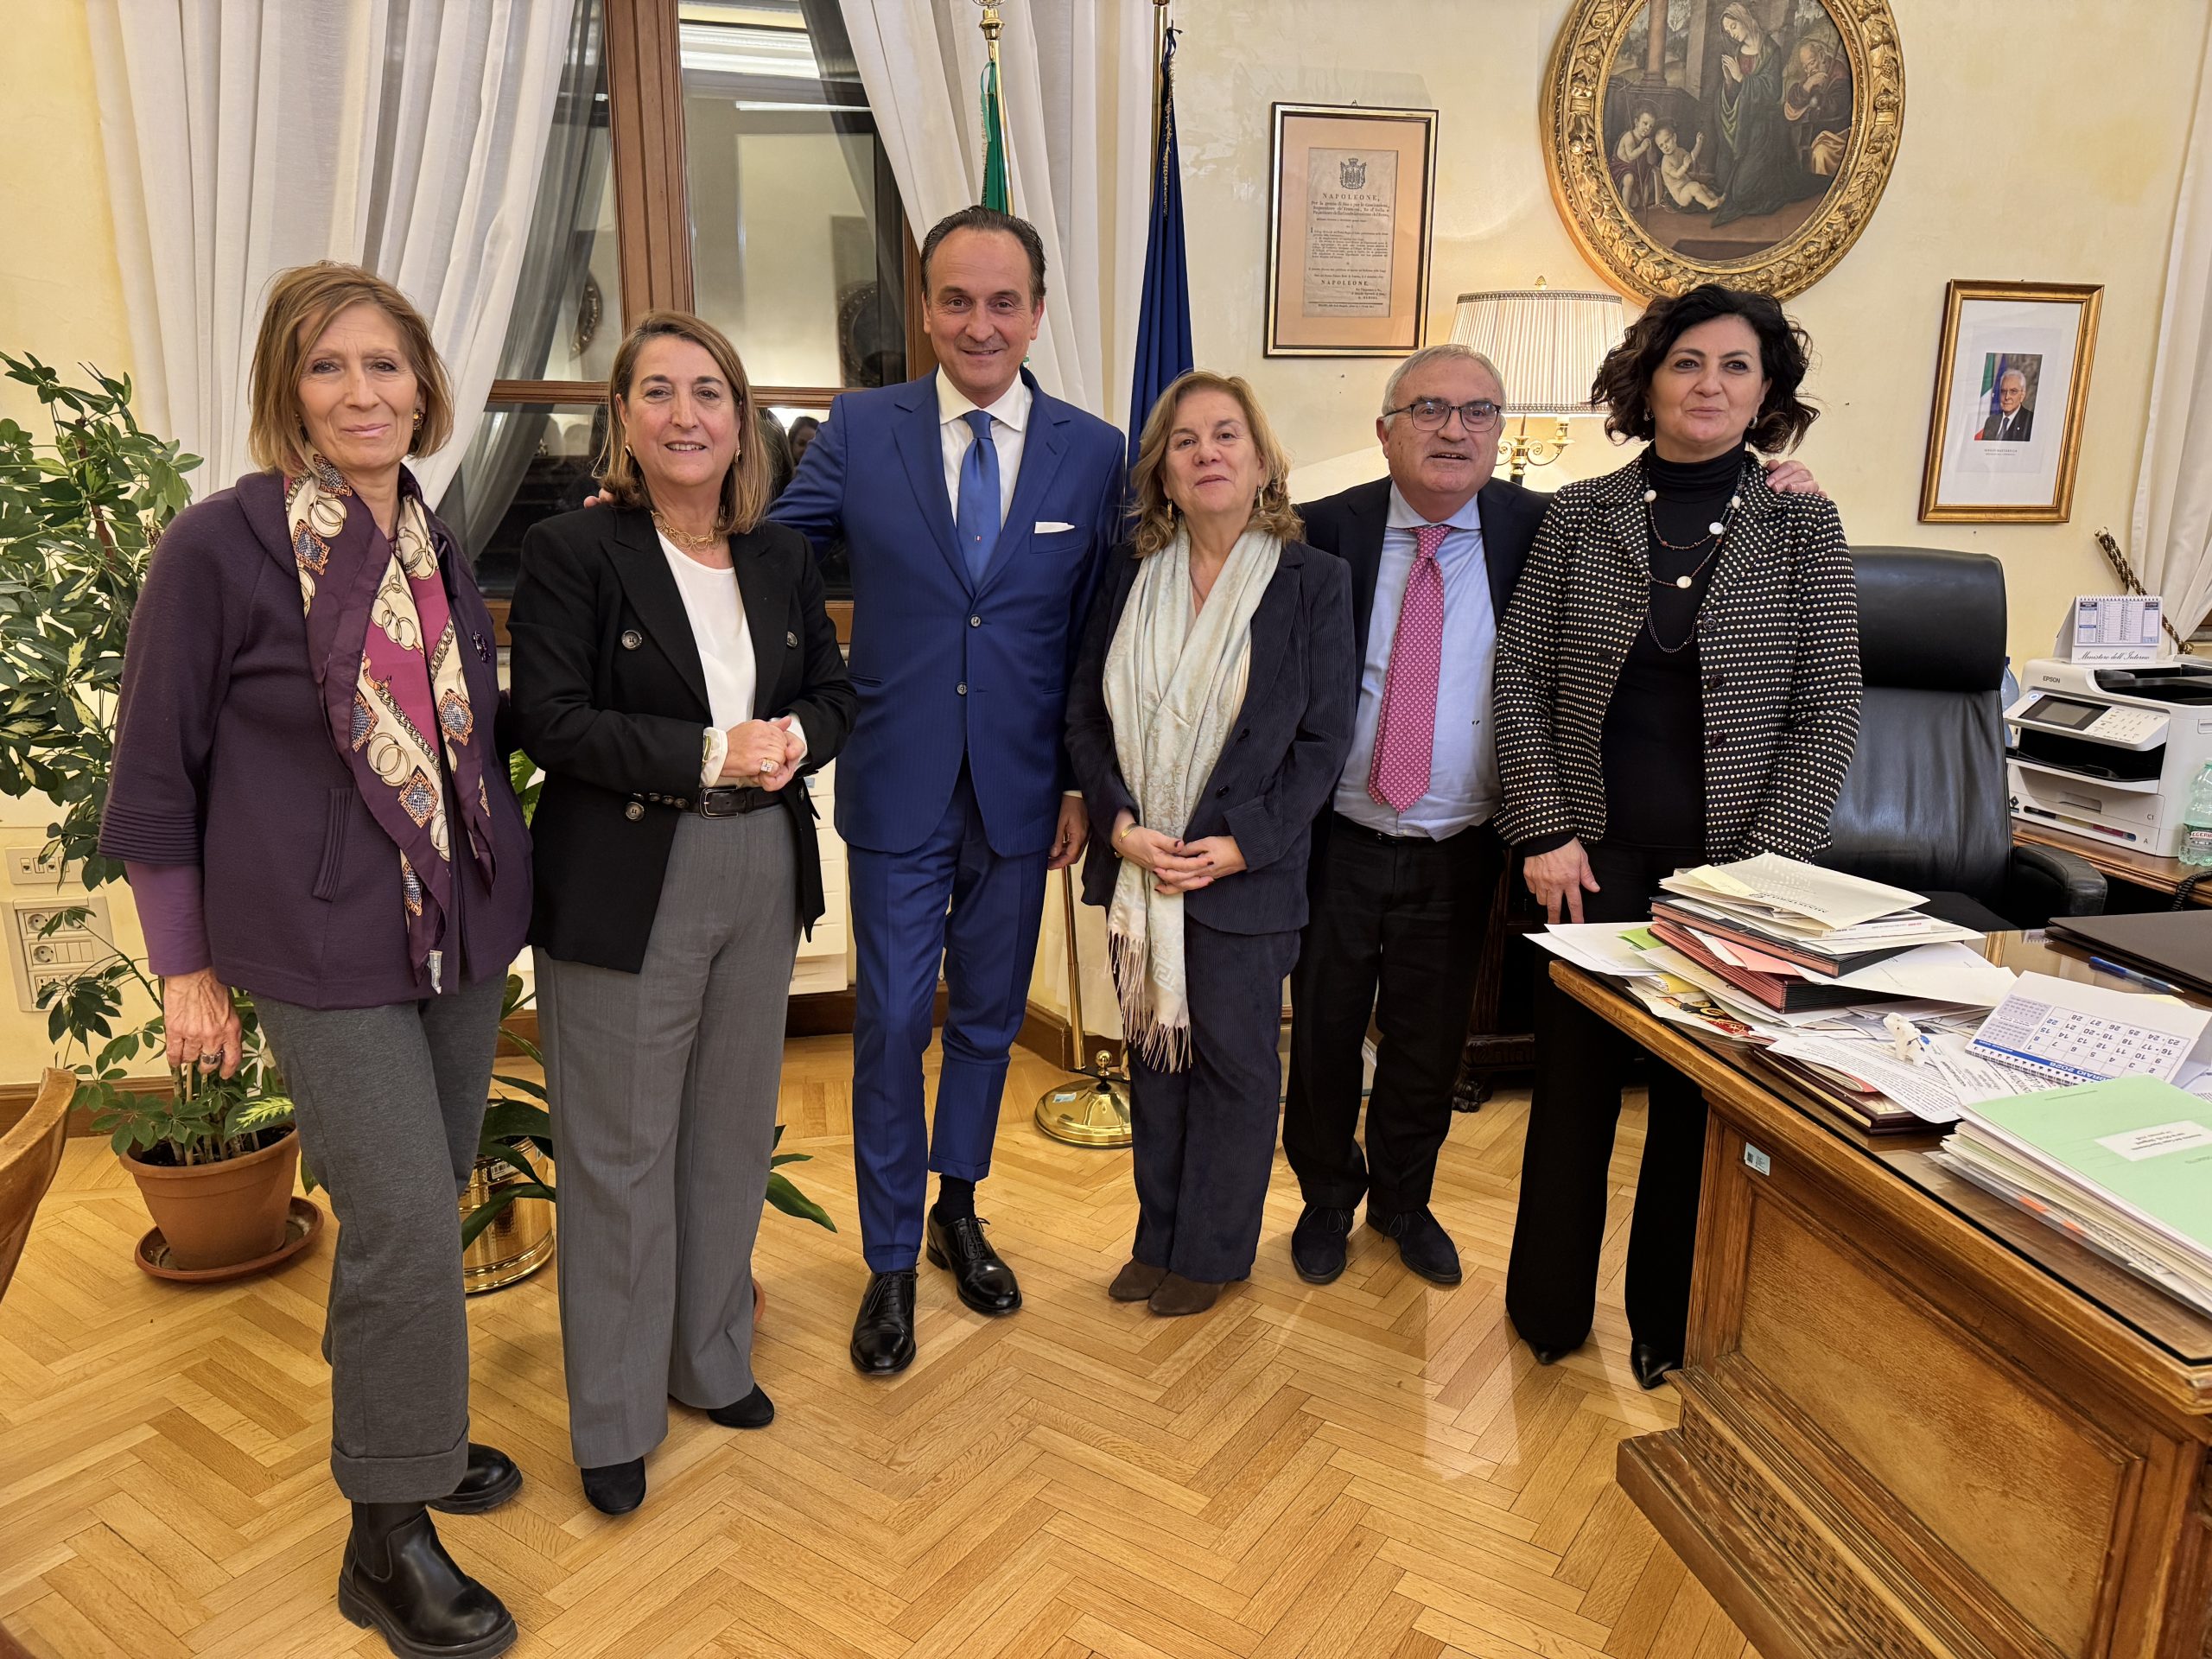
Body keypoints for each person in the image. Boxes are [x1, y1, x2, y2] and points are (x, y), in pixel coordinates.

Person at [100, 263, 534, 1658]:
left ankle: (403, 1423)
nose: (361, 393)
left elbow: (466, 739)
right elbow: (153, 770)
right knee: (403, 1217)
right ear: (287, 390)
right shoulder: (218, 546)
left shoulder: (432, 536)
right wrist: (186, 967)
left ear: (424, 386)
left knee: (421, 1200)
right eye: (328, 366)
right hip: (312, 942)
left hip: (454, 932)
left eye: (385, 365)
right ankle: (385, 1537)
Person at [508, 311, 855, 1516]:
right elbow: (550, 720)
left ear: (740, 418)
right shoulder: (572, 550)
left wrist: (799, 735)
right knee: (619, 1157)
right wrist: (711, 750)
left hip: (760, 866)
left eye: (708, 391)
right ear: (623, 418)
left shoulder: (781, 557)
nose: (685, 414)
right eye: (657, 391)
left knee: (727, 1135)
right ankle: (612, 1415)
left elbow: (833, 690)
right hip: (629, 876)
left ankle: (709, 1360)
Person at [770, 207, 1127, 1375]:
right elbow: (771, 556)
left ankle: (955, 1210)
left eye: (1003, 301)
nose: (981, 324)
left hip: (1024, 794)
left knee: (986, 1021)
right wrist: (650, 528)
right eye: (958, 300)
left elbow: (1096, 635)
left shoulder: (1093, 450)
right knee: (887, 1023)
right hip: (897, 780)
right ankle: (886, 1261)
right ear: (925, 310)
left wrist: (1079, 779)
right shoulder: (861, 430)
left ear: (1037, 313)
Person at [1497, 283, 1860, 1389]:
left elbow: (1827, 709)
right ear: (1646, 381)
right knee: (1571, 1089)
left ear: (1765, 391)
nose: (1709, 384)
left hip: (1730, 873)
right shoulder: (1579, 514)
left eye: (1735, 366)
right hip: (1586, 859)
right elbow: (1519, 678)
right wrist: (1544, 829)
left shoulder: (1803, 524)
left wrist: (1757, 876)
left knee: (1695, 1101)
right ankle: (1547, 1308)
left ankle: (1667, 1320)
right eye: (1687, 362)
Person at [1065, 372, 1354, 1314]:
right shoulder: (1128, 574)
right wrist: (1117, 823)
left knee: (1234, 1066)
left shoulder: (1314, 581)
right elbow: (1085, 717)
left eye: (1226, 435)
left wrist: (1240, 845)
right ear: (1164, 473)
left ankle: (1213, 1254)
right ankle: (1158, 1240)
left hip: (1242, 876)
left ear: (1262, 461)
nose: (1207, 454)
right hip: (1143, 868)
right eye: (1184, 442)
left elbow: (1323, 741)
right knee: (1156, 1061)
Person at [1656, 127, 1726, 211]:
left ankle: (1717, 200)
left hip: (1687, 186)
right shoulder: (1666, 161)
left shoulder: (1680, 151)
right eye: (1661, 145)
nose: (1665, 146)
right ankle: (1709, 204)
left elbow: (1691, 158)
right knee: (1694, 187)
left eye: (1667, 141)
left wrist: (1699, 143)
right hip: (1680, 195)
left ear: (1674, 137)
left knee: (1703, 187)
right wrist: (1684, 166)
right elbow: (1677, 175)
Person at [1978, 368, 2034, 441]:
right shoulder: (1991, 422)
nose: (2007, 397)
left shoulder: (2030, 422)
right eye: (2003, 391)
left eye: (2013, 391)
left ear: (2022, 396)